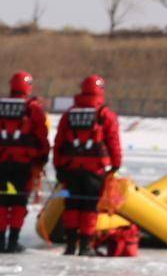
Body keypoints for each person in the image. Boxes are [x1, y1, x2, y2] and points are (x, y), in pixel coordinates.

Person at [52, 74, 124, 256]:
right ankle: (84, 246)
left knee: (71, 205)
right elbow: (113, 141)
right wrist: (115, 165)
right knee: (89, 207)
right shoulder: (105, 114)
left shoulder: (69, 114)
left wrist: (59, 167)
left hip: (70, 169)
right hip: (95, 171)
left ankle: (70, 245)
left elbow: (59, 141)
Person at [0, 71, 51, 254]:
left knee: (2, 200)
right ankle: (12, 242)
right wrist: (42, 158)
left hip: (1, 164)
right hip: (24, 165)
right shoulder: (34, 109)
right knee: (19, 202)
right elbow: (41, 137)